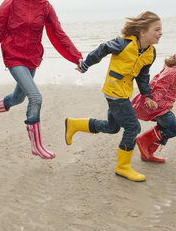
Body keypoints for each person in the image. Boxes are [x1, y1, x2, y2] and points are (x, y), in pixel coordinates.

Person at [0, 0, 83, 159]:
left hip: (32, 58)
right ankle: (36, 145)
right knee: (35, 97)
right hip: (13, 57)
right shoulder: (11, 3)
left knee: (19, 98)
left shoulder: (46, 7)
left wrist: (76, 57)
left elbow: (59, 34)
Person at [64, 11, 162, 182]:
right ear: (143, 31)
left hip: (125, 92)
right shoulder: (123, 43)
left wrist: (147, 96)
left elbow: (142, 76)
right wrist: (86, 64)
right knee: (133, 127)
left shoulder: (150, 53)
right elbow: (103, 48)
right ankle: (123, 167)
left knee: (112, 127)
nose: (161, 33)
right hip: (114, 91)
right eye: (157, 29)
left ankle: (74, 124)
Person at [132, 43, 176, 163]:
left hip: (166, 104)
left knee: (164, 127)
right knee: (174, 129)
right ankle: (143, 140)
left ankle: (148, 153)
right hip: (157, 104)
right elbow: (160, 85)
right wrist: (154, 101)